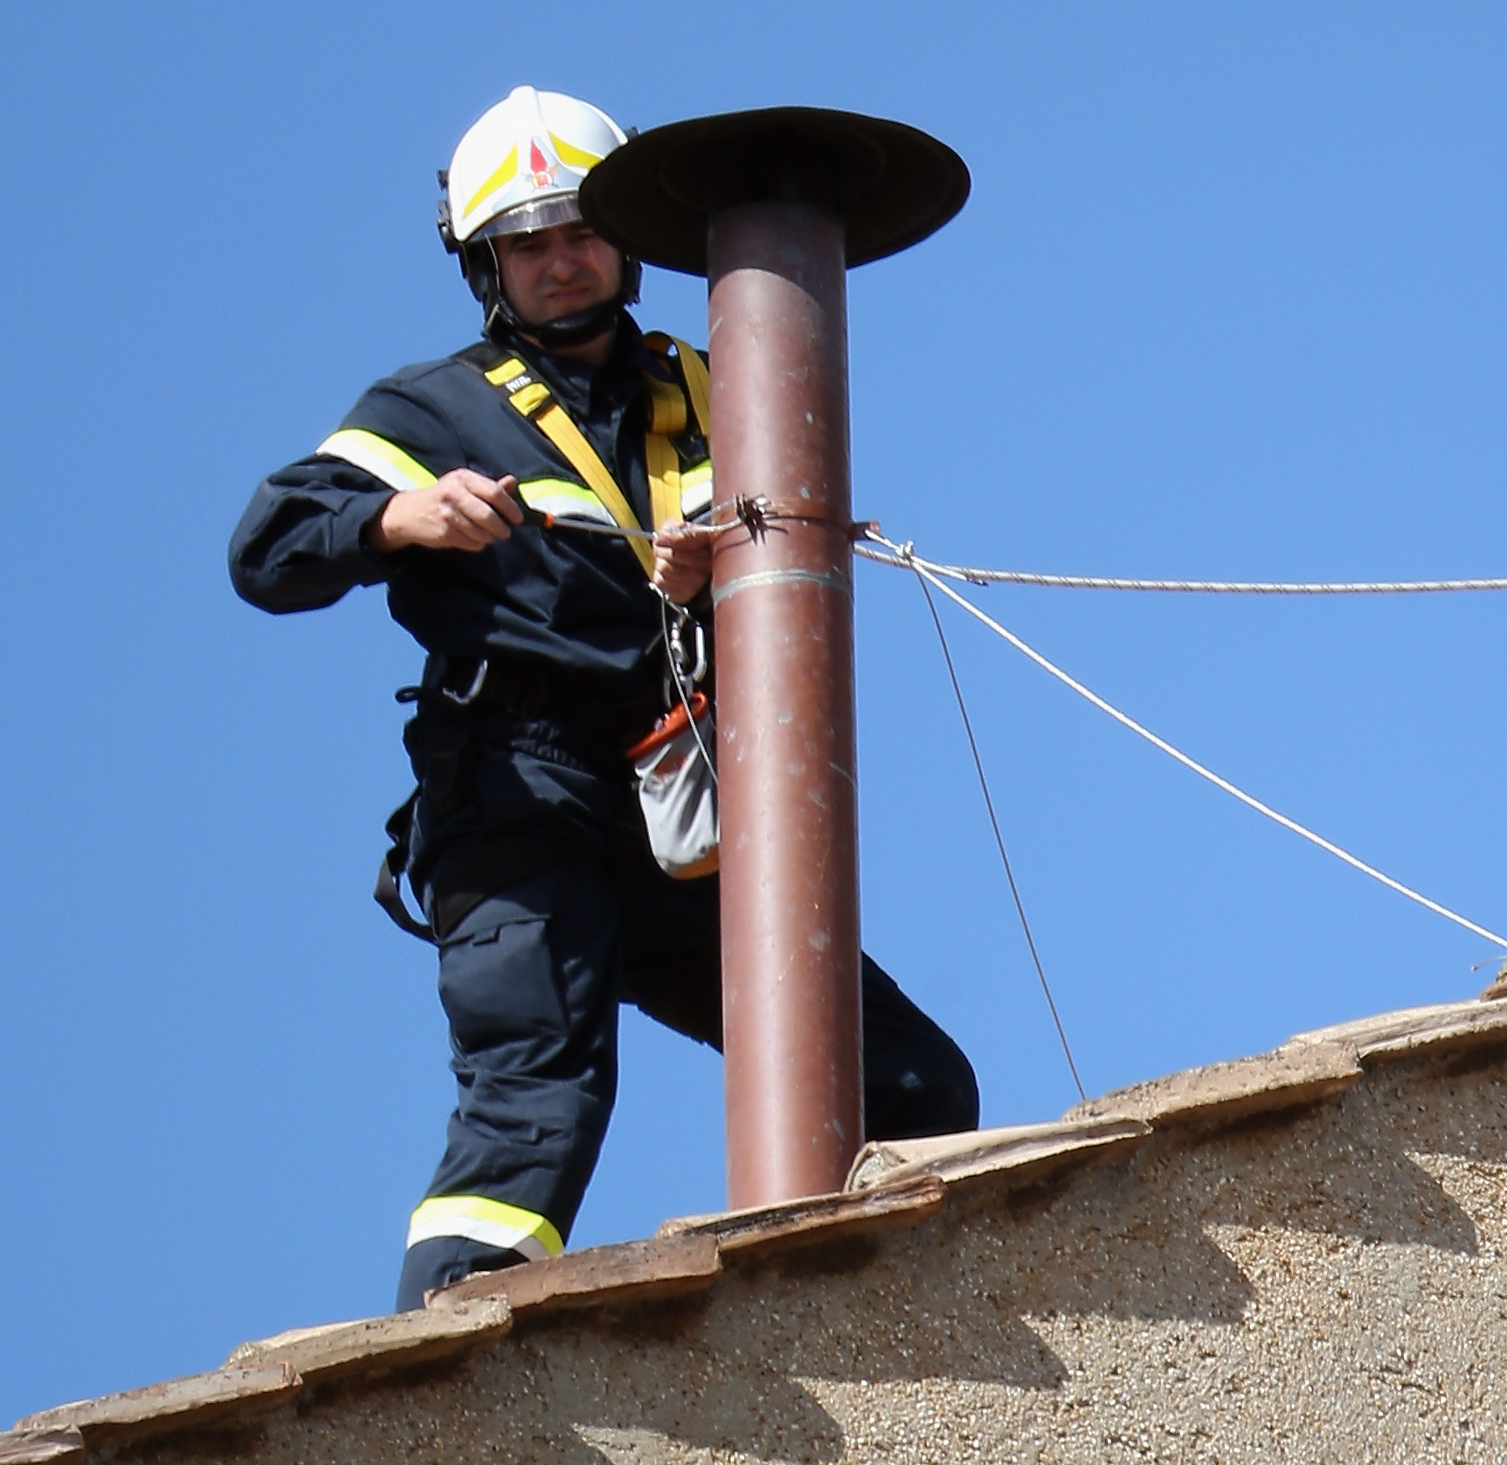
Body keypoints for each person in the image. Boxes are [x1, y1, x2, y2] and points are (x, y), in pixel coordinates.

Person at [229, 87, 979, 1310]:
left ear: (625, 239)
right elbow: (267, 548)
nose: (561, 262)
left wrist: (707, 578)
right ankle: (448, 1364)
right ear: (488, 267)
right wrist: (397, 515)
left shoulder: (718, 382)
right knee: (537, 1090)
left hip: (675, 796)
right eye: (528, 245)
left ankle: (873, 1319)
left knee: (911, 1084)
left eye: (578, 229)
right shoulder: (434, 408)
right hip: (519, 792)